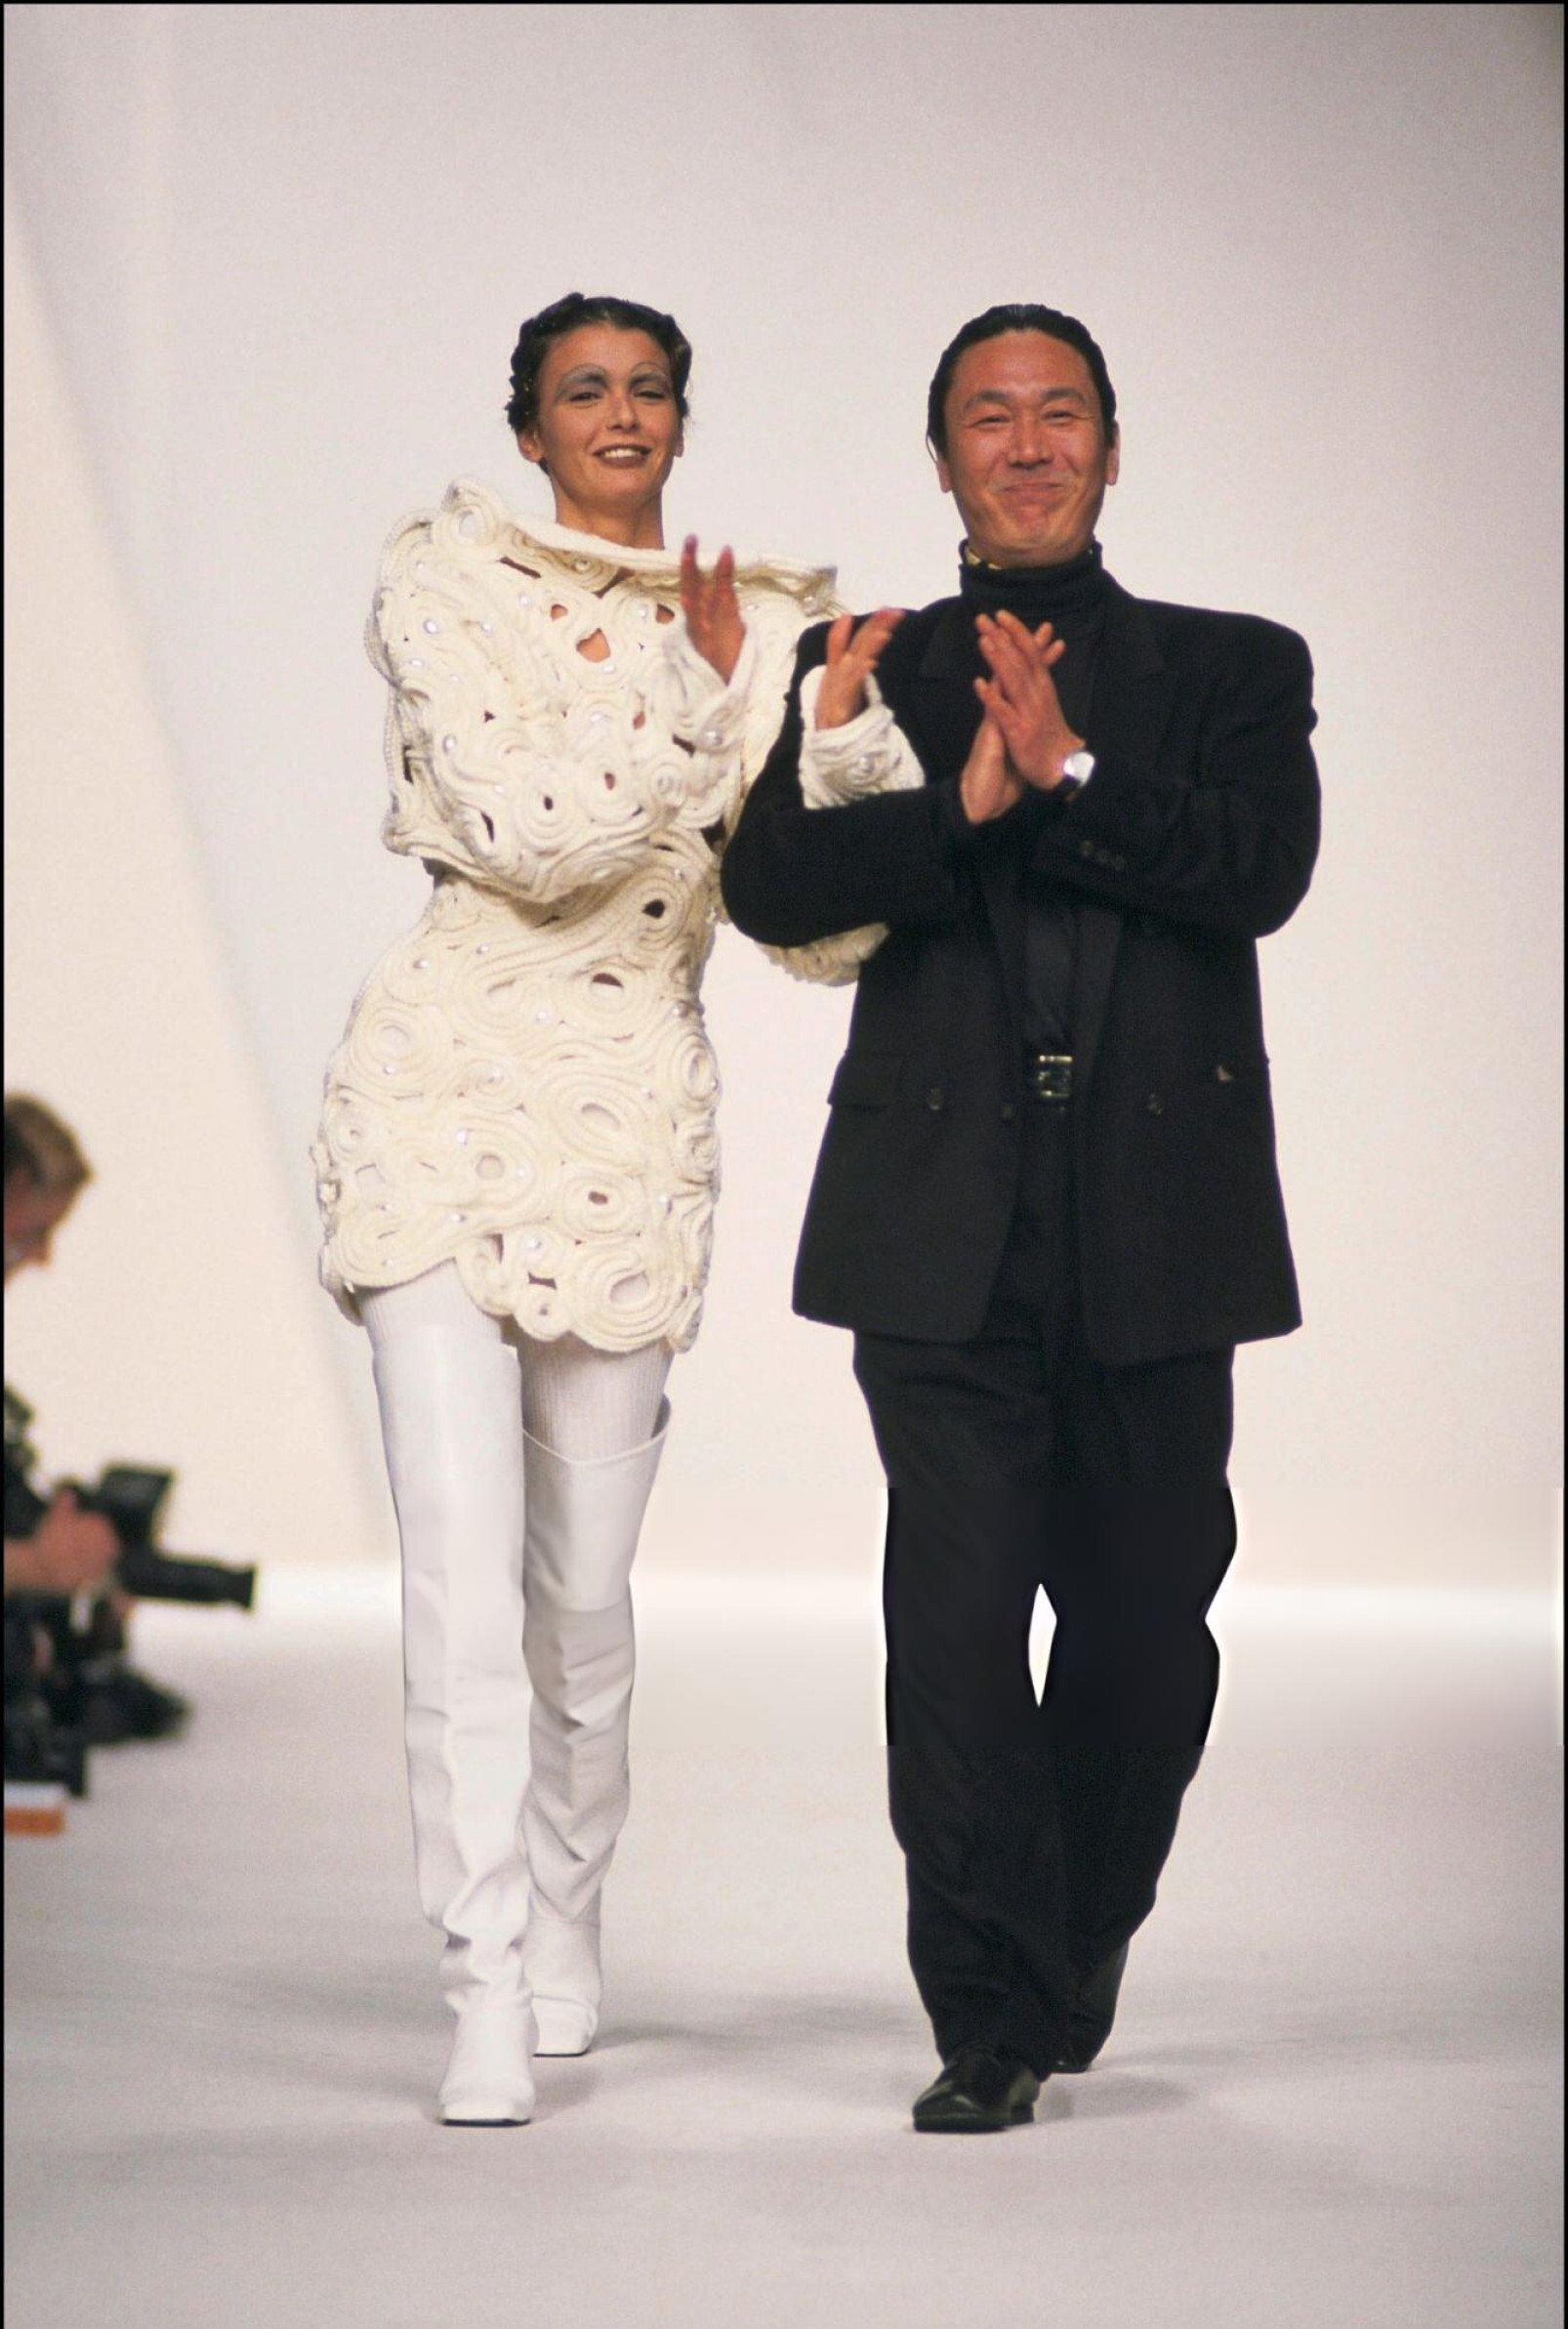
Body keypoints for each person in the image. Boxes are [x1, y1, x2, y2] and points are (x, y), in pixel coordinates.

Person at [722, 304, 1320, 2134]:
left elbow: (1260, 871)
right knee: (958, 1631)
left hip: (1157, 1222)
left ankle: (1066, 1940)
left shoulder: (1231, 666)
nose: (1029, 441)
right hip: (936, 1221)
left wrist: (1067, 771)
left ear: (1111, 450)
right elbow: (769, 888)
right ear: (941, 460)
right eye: (990, 415)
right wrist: (963, 807)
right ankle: (986, 2014)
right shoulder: (864, 662)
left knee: (1143, 1635)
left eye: (1062, 412)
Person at [312, 292, 878, 2129]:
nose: (618, 412)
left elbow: (822, 932)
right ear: (529, 425)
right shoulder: (442, 576)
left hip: (629, 1122)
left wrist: (831, 740)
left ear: (681, 423)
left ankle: (565, 1913)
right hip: (436, 1099)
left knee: (579, 1598)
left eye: (647, 388)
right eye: (583, 389)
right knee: (459, 1579)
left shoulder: (770, 625)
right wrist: (712, 706)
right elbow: (520, 832)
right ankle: (477, 1979)